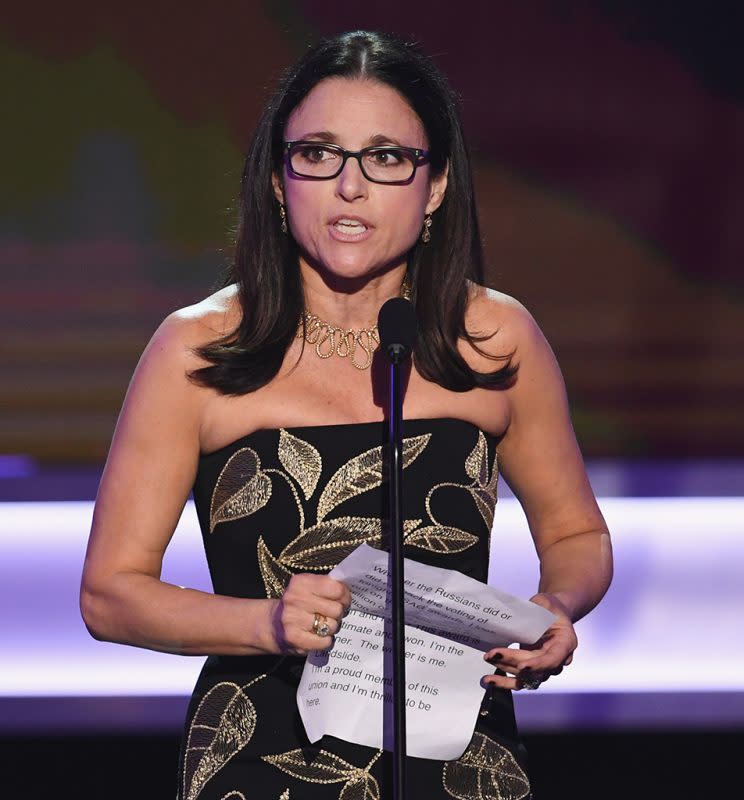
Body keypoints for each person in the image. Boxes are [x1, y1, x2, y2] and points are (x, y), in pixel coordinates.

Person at [80, 30, 612, 800]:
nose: (350, 186)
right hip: (261, 759)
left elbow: (577, 534)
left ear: (433, 189)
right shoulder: (196, 351)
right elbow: (109, 594)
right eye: (319, 154)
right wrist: (266, 624)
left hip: (458, 758)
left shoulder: (495, 339)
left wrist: (555, 608)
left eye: (387, 157)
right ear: (276, 179)